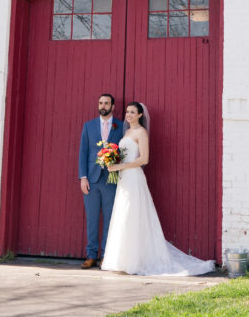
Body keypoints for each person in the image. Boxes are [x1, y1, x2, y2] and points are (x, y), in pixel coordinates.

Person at [101, 101, 215, 277]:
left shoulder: (141, 132)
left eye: (132, 112)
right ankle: (123, 259)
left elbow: (144, 159)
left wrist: (119, 167)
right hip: (124, 179)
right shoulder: (127, 133)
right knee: (124, 215)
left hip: (133, 177)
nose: (129, 115)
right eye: (127, 112)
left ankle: (137, 261)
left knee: (134, 215)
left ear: (140, 115)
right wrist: (113, 162)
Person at [78, 93, 124, 268]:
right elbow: (83, 153)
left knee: (110, 218)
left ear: (112, 107)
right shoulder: (88, 126)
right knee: (92, 218)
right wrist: (83, 177)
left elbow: (124, 152)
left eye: (106, 103)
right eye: (100, 103)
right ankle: (91, 255)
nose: (103, 106)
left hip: (111, 179)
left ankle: (106, 255)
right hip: (92, 179)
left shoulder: (120, 126)